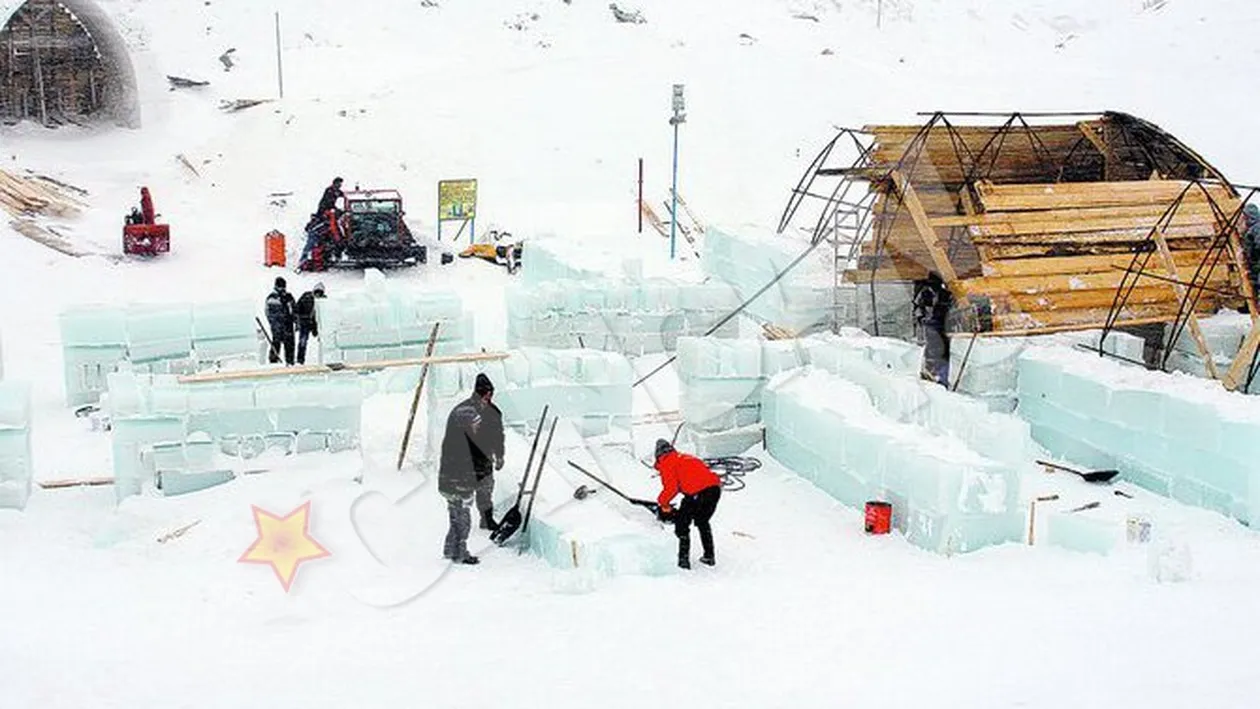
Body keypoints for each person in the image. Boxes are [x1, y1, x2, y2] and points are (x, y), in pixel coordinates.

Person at [438, 373, 500, 564]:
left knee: (456, 515)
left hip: (450, 478)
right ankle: (459, 553)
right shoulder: (466, 415)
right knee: (462, 517)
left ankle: (450, 549)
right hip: (457, 479)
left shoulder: (466, 413)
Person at [653, 439, 722, 569]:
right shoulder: (686, 457)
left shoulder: (667, 462)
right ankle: (709, 556)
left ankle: (683, 561)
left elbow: (671, 488)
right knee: (702, 521)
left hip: (698, 493)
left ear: (658, 455)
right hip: (714, 490)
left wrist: (663, 503)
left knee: (682, 524)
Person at [473, 375, 506, 531]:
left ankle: (486, 519)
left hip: (485, 457)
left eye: (490, 393)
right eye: (485, 393)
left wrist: (499, 456)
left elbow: (499, 436)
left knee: (485, 488)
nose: (488, 396)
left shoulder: (494, 412)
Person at [913, 272, 952, 385]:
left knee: (937, 351)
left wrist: (922, 319)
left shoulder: (930, 293)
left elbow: (919, 309)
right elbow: (921, 309)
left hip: (936, 325)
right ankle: (936, 377)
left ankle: (936, 377)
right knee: (937, 351)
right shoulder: (931, 293)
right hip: (936, 325)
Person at [264, 276, 297, 365]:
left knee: (289, 345)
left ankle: (290, 363)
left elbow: (294, 310)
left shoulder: (288, 297)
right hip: (278, 326)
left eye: (283, 287)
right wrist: (274, 324)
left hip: (288, 325)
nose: (282, 289)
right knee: (276, 344)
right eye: (280, 286)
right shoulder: (272, 298)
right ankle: (273, 363)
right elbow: (269, 313)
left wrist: (296, 321)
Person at [294, 283, 326, 365]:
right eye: (317, 292)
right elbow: (297, 308)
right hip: (305, 322)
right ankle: (300, 360)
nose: (318, 294)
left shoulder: (324, 300)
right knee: (303, 341)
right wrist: (298, 320)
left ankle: (324, 359)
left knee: (323, 341)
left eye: (320, 293)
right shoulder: (306, 296)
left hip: (316, 324)